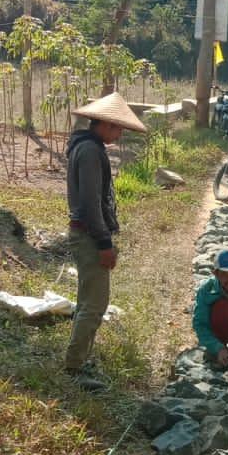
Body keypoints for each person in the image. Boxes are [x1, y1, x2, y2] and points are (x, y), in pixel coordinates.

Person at [61, 93, 147, 391]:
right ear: (106, 124)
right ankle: (74, 366)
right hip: (88, 235)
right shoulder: (89, 153)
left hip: (86, 232)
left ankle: (80, 356)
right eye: (117, 128)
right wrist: (104, 243)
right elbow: (89, 204)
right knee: (94, 305)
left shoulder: (87, 147)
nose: (120, 133)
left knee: (89, 300)